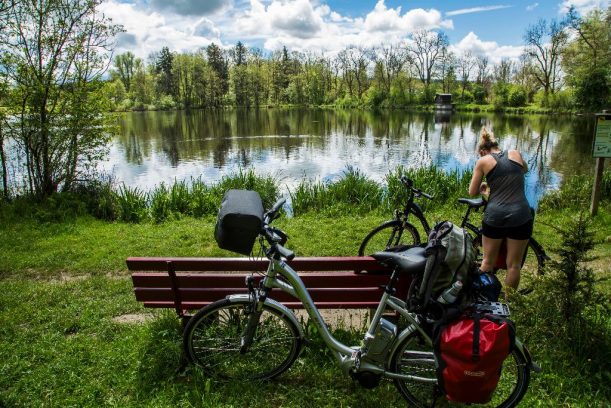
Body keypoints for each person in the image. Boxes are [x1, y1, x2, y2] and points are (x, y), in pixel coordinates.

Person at [468, 127, 532, 290]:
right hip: (520, 215)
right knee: (514, 266)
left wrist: (484, 185)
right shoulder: (515, 153)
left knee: (487, 261)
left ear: (483, 151)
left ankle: (484, 300)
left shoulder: (483, 161)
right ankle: (509, 303)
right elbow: (524, 169)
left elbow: (472, 192)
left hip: (495, 216)